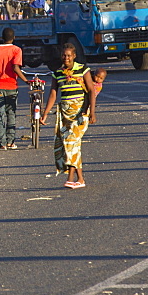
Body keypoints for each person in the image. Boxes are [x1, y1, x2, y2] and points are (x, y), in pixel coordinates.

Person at [41, 43, 96, 189]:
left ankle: (71, 177)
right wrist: (45, 113)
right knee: (72, 145)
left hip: (80, 113)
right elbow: (53, 93)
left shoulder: (83, 70)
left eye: (69, 55)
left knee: (71, 142)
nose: (66, 58)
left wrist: (92, 112)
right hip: (65, 114)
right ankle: (81, 179)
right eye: (64, 55)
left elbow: (91, 90)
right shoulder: (58, 73)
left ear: (74, 56)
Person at [0, 27, 31, 150]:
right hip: (11, 86)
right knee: (11, 113)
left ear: (2, 38)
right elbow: (15, 68)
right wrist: (26, 80)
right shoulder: (16, 50)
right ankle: (10, 141)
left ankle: (1, 143)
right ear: (14, 38)